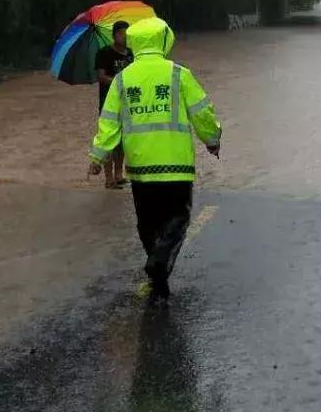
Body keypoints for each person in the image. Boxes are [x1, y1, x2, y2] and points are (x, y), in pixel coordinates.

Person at [88, 16, 221, 299]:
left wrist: (97, 157)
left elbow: (108, 122)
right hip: (177, 167)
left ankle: (157, 266)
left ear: (134, 42)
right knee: (177, 219)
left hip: (140, 169)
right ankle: (159, 261)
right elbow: (202, 112)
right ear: (165, 40)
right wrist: (212, 140)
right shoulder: (178, 74)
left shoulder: (123, 79)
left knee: (147, 222)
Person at [95, 22, 134, 190]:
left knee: (123, 142)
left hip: (128, 102)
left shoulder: (131, 54)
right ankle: (108, 178)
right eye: (121, 34)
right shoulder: (104, 53)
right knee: (109, 140)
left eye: (127, 34)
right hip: (108, 104)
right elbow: (102, 77)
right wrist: (119, 83)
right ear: (114, 35)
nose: (124, 37)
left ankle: (119, 175)